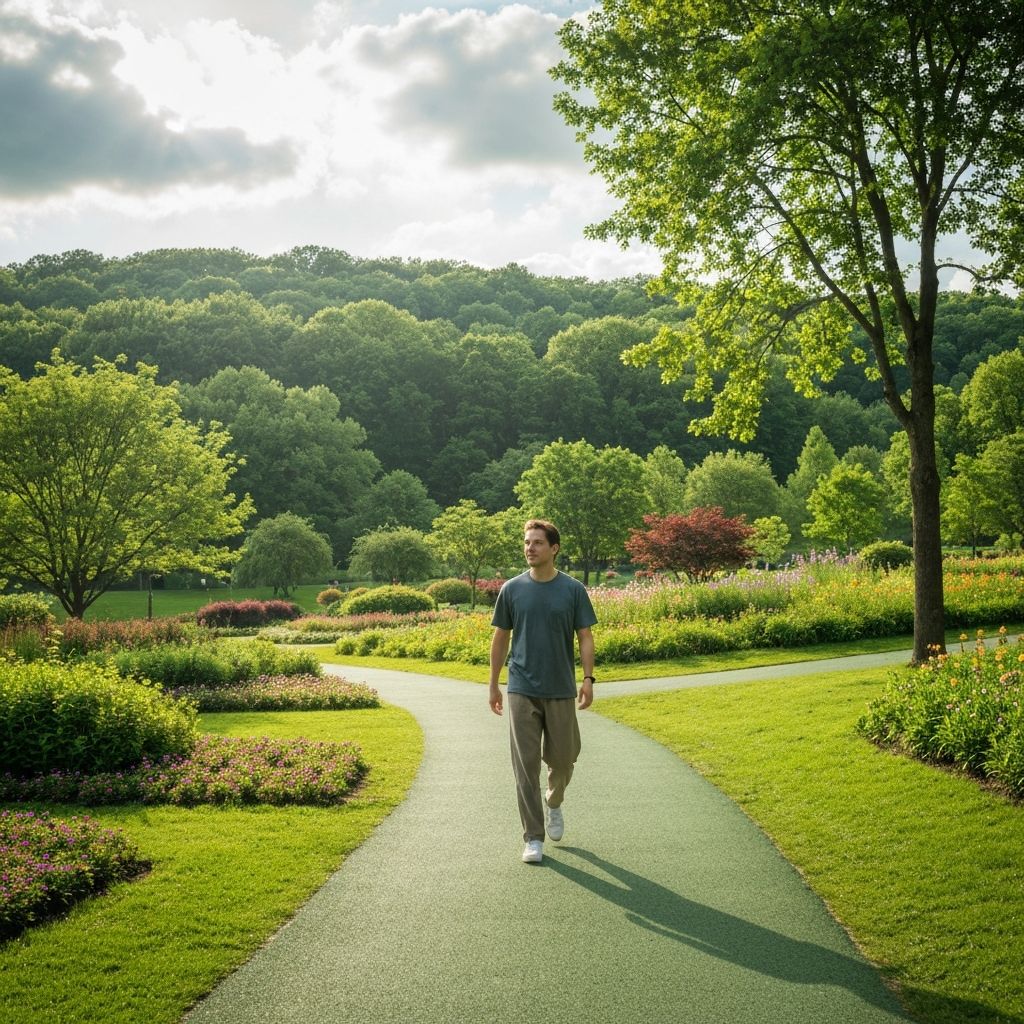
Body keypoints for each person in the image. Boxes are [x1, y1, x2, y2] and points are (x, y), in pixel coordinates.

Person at [488, 519, 597, 864]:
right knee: (525, 766)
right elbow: (500, 638)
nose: (530, 548)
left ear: (554, 548)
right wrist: (493, 684)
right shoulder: (512, 589)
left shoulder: (573, 590)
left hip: (561, 688)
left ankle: (554, 800)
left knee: (564, 759)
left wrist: (588, 679)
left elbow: (585, 636)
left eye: (537, 542)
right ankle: (533, 837)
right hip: (521, 687)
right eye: (526, 542)